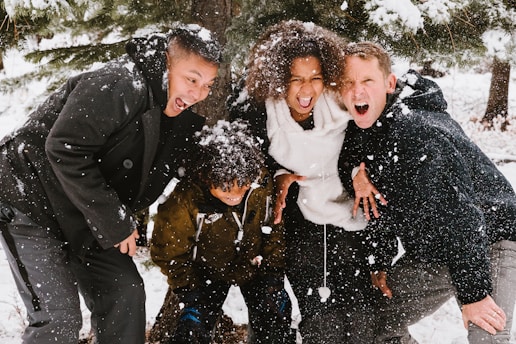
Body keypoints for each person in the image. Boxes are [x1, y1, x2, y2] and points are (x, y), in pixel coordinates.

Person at [0, 24, 221, 344]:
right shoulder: (119, 83)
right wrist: (115, 221)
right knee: (58, 320)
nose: (198, 94)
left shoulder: (172, 109)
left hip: (83, 209)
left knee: (125, 295)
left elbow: (189, 163)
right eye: (191, 79)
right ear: (168, 62)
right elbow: (64, 148)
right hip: (30, 197)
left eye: (207, 85)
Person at [338, 41, 516, 343]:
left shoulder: (418, 132)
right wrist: (380, 258)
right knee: (371, 321)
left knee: (487, 334)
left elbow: (460, 213)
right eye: (348, 83)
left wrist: (474, 294)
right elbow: (378, 199)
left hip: (490, 236)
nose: (358, 91)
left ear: (389, 84)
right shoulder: (365, 129)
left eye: (367, 80)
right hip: (435, 249)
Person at [229, 20, 381, 343]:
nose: (307, 90)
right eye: (295, 79)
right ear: (278, 78)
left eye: (315, 78)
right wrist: (278, 175)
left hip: (349, 218)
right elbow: (247, 157)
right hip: (298, 223)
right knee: (319, 319)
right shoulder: (259, 111)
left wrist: (358, 168)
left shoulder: (338, 103)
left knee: (361, 315)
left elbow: (369, 126)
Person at [150, 119, 292, 344]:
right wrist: (188, 288)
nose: (236, 194)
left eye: (243, 186)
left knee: (275, 317)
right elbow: (167, 250)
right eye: (226, 189)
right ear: (207, 177)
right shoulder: (186, 198)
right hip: (205, 274)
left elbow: (274, 228)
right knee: (191, 330)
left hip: (254, 267)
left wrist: (272, 275)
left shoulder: (260, 185)